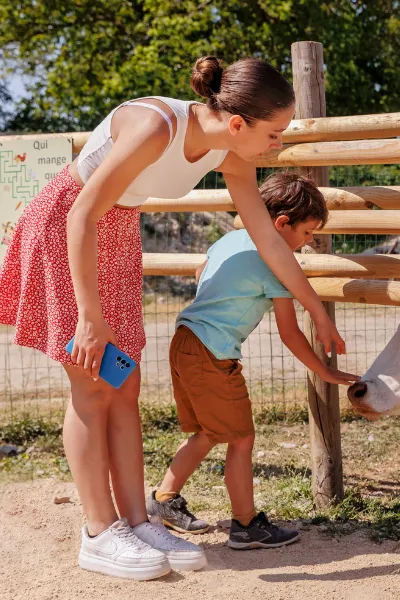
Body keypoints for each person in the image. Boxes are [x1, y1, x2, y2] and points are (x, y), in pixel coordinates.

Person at [0, 56, 346, 580]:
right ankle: (98, 532)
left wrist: (316, 310)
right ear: (237, 123)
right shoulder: (155, 126)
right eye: (274, 133)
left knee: (125, 383)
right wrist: (89, 316)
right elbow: (80, 213)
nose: (279, 145)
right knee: (91, 382)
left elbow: (270, 243)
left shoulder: (232, 155)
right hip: (69, 230)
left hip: (115, 235)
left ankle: (137, 521)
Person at [146, 172, 359, 550]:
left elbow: (202, 271)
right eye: (307, 233)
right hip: (212, 351)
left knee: (211, 432)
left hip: (185, 340)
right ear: (281, 224)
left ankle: (164, 499)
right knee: (241, 439)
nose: (308, 242)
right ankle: (245, 524)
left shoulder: (230, 240)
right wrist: (323, 369)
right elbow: (290, 333)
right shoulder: (273, 260)